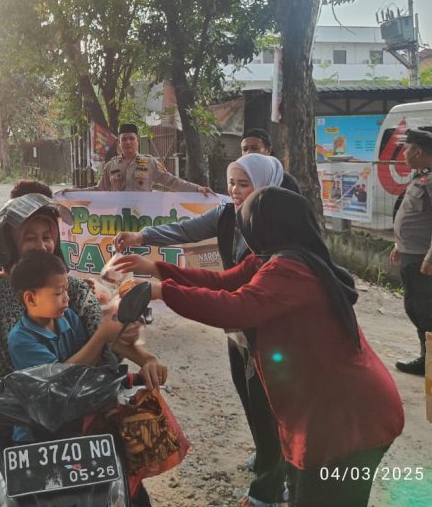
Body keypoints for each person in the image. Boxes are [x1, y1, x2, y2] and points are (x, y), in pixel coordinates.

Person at [114, 187, 404, 507]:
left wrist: (160, 291)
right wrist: (155, 271)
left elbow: (235, 306)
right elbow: (223, 283)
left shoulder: (290, 270)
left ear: (266, 226)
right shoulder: (273, 259)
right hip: (330, 411)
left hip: (348, 418)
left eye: (247, 223)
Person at [0, 192, 167, 506]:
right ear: (7, 244)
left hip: (80, 411)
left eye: (47, 236)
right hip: (10, 418)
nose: (42, 245)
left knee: (130, 493)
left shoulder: (72, 288)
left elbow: (107, 333)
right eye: (30, 238)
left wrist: (147, 358)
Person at [115, 153, 290, 507]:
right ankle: (266, 456)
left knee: (269, 403)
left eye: (244, 184)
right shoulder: (229, 215)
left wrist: (161, 287)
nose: (235, 191)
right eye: (231, 183)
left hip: (267, 328)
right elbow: (214, 268)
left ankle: (273, 484)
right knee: (249, 393)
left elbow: (234, 294)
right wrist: (148, 249)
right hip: (239, 321)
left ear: (266, 185)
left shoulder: (276, 234)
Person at [8, 250, 125, 442]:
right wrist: (101, 336)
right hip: (36, 432)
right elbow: (60, 380)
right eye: (57, 293)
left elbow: (87, 359)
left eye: (66, 290)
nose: (66, 298)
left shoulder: (68, 316)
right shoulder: (20, 339)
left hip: (73, 419)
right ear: (30, 299)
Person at [390, 128, 432, 376]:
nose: (404, 154)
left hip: (424, 258)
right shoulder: (421, 178)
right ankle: (428, 357)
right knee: (414, 307)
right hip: (412, 254)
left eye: (407, 149)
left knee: (424, 311)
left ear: (418, 151)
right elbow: (415, 217)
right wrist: (399, 245)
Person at [94, 123, 212, 194]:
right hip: (119, 218)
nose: (128, 142)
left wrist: (197, 189)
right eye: (124, 139)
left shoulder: (150, 163)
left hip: (143, 216)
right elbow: (99, 189)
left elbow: (172, 181)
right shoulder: (111, 166)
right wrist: (80, 193)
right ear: (119, 143)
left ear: (137, 141)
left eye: (131, 138)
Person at [239, 128, 301, 194]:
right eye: (245, 149)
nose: (249, 153)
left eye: (254, 148)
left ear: (268, 150)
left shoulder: (285, 180)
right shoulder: (237, 178)